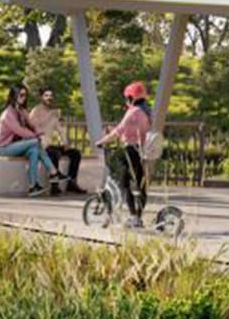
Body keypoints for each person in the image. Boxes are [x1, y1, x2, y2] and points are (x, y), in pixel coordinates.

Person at [94, 81, 153, 227]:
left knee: (124, 183)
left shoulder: (133, 112)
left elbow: (119, 130)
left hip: (131, 151)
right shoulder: (146, 111)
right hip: (142, 151)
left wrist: (102, 141)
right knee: (140, 184)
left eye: (127, 97)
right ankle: (138, 217)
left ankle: (133, 216)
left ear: (131, 97)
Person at [0, 84, 57, 197]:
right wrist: (38, 138)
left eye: (25, 95)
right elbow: (20, 131)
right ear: (14, 96)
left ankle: (33, 186)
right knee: (35, 142)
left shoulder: (22, 111)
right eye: (21, 95)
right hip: (4, 148)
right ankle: (53, 171)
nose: (24, 98)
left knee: (34, 150)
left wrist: (40, 134)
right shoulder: (8, 114)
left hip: (17, 146)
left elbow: (33, 125)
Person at [28, 87, 84, 193]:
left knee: (75, 153)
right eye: (46, 95)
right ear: (41, 97)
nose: (49, 98)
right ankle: (54, 186)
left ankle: (71, 183)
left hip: (49, 145)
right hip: (40, 145)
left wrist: (65, 143)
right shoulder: (36, 110)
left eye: (51, 95)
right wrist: (50, 115)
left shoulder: (53, 114)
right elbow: (32, 125)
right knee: (54, 152)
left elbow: (60, 130)